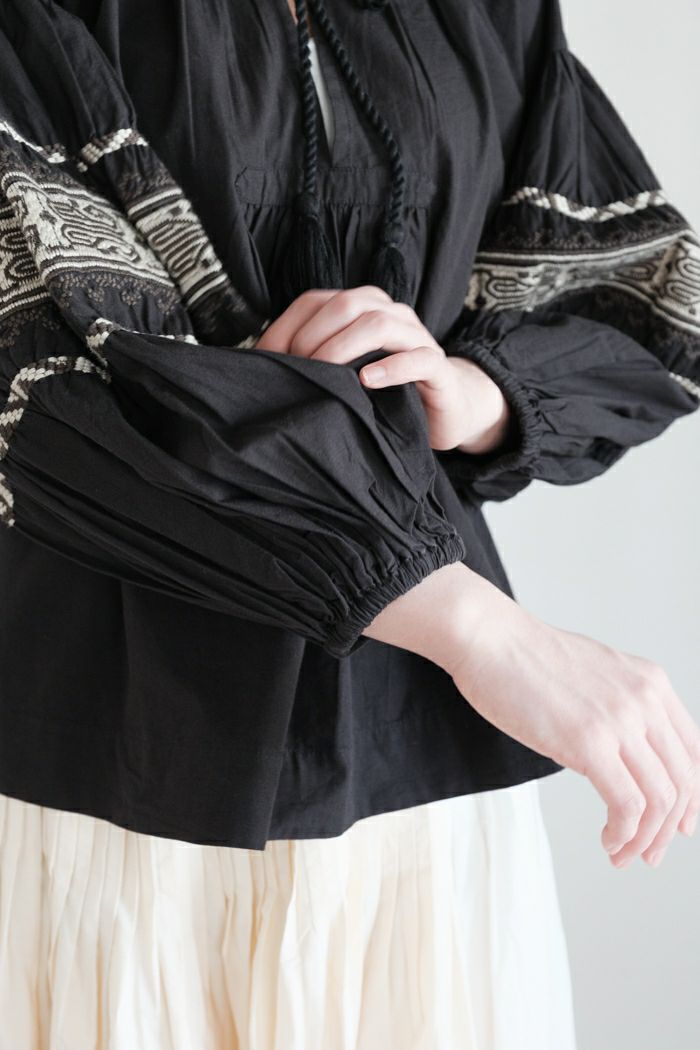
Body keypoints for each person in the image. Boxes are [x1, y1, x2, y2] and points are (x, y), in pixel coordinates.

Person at [0, 0, 698, 1046]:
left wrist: (476, 393)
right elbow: (59, 388)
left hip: (421, 778)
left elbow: (635, 297)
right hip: (119, 777)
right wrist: (485, 632)